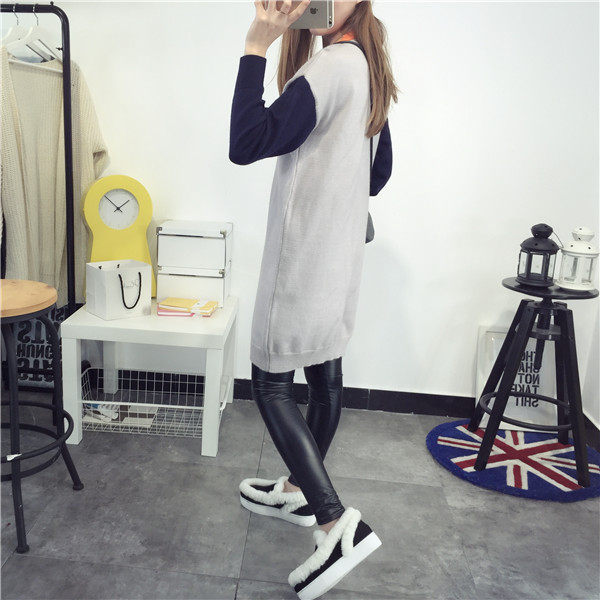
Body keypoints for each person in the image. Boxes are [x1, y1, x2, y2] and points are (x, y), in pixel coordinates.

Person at [229, 1, 396, 598]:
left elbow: (246, 141)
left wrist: (257, 44)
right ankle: (302, 492)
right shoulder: (366, 65)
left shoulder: (329, 68)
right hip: (340, 256)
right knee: (325, 373)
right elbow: (379, 172)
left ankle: (334, 522)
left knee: (270, 383)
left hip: (302, 260)